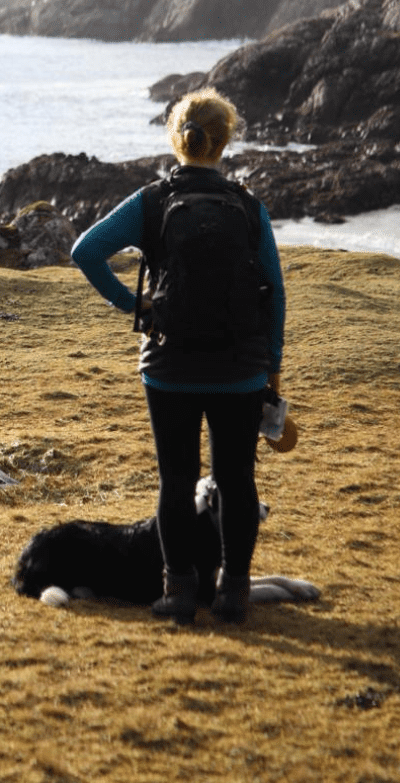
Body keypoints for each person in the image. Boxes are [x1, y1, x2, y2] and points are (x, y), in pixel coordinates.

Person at [70, 89, 285, 625]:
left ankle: (180, 594)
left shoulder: (153, 201)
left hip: (170, 367)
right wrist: (272, 371)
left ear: (177, 137)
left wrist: (134, 304)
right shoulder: (248, 207)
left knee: (176, 480)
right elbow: (275, 296)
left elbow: (86, 251)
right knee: (237, 480)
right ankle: (233, 594)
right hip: (241, 368)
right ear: (225, 141)